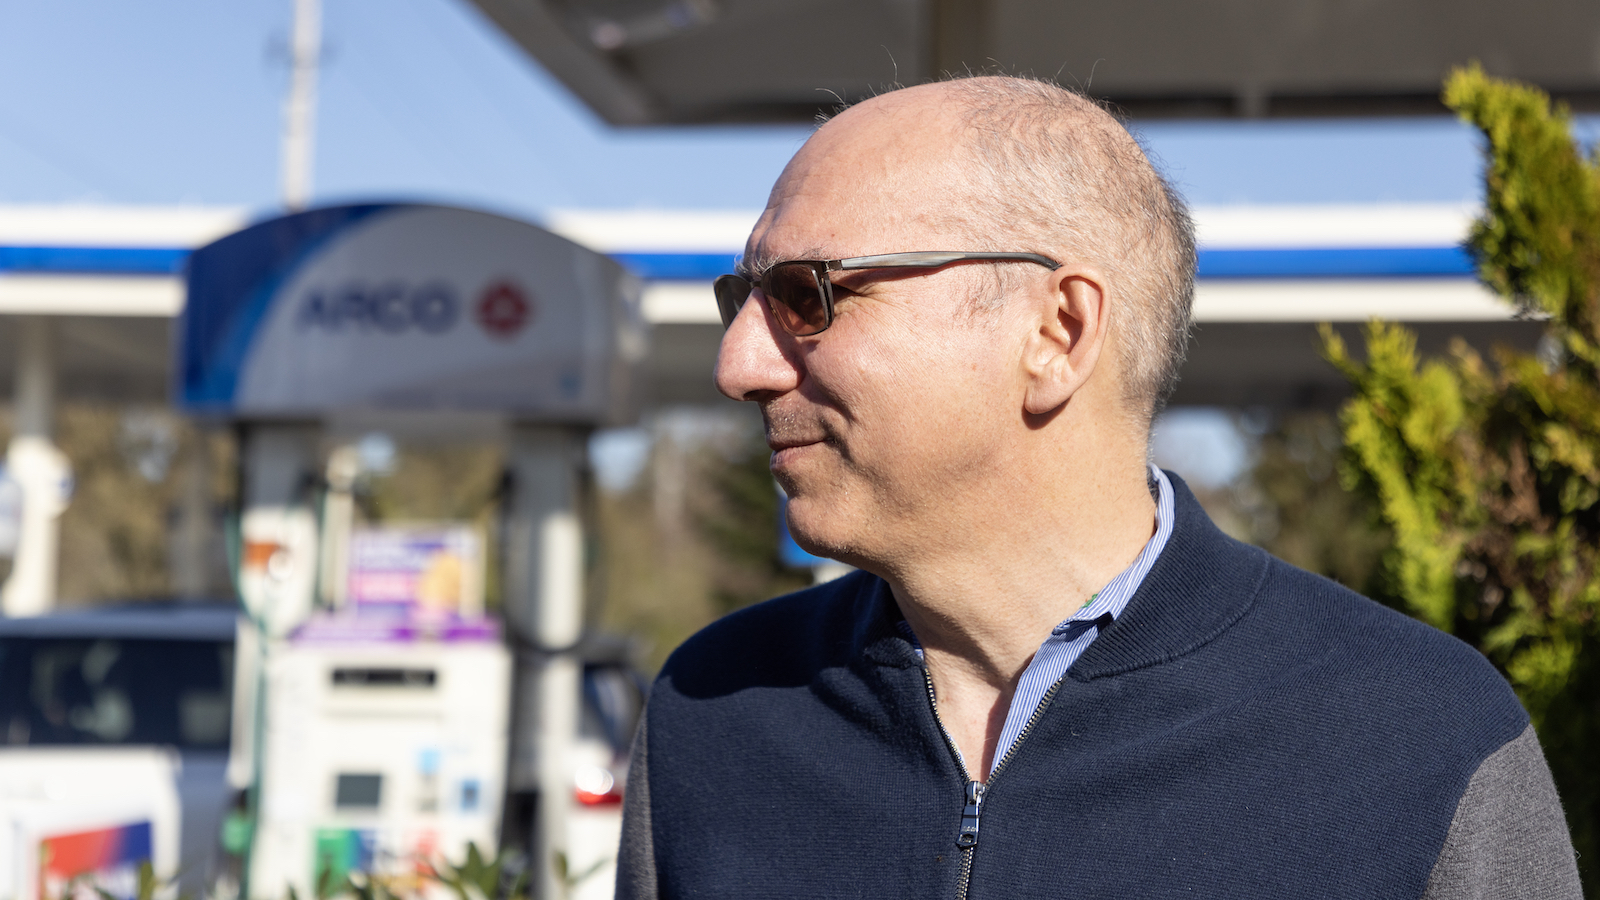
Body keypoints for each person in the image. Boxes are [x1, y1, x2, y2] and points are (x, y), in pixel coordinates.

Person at [615, 76, 1581, 899]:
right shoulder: (714, 713)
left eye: (806, 294)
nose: (739, 363)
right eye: (742, 302)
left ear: (1058, 333)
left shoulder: (1417, 736)